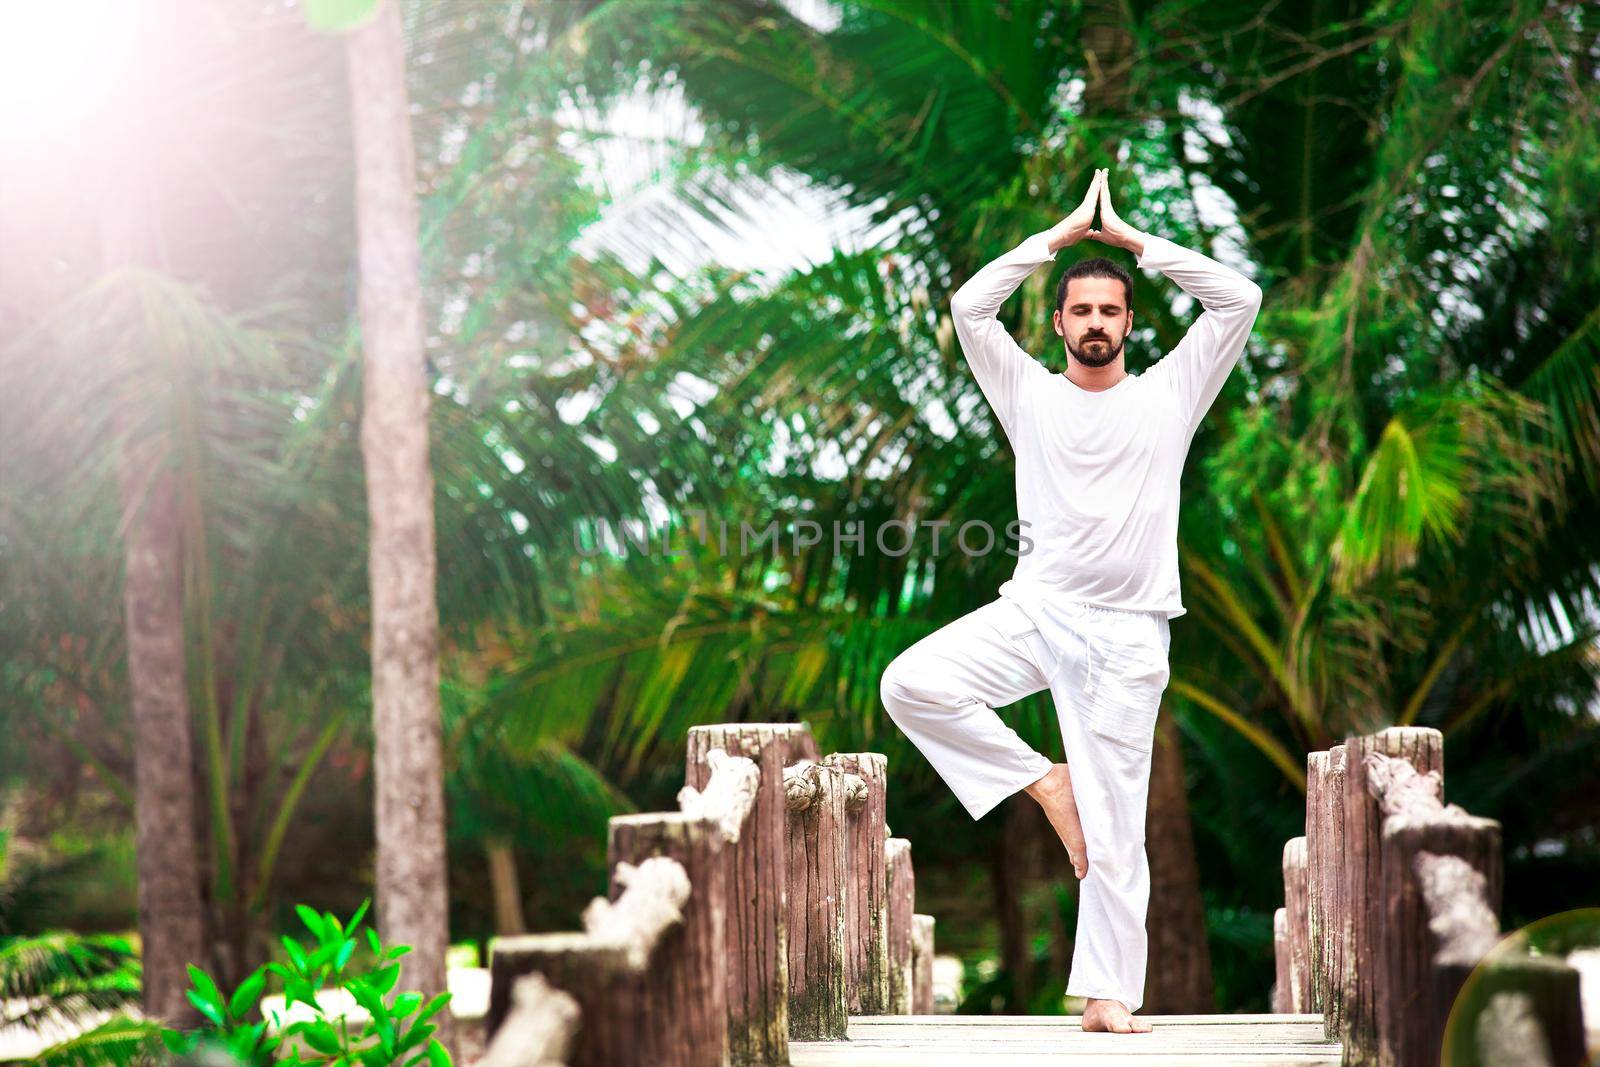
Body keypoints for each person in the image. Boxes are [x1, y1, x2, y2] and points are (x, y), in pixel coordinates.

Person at [879, 168, 1263, 1033]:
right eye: (1080, 310)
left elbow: (1239, 299)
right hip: (1036, 612)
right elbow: (970, 308)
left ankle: (1106, 997)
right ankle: (1041, 781)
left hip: (1129, 638)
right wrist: (1054, 241)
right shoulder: (1028, 392)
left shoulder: (1172, 392)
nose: (1095, 323)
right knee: (910, 682)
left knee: (1120, 827)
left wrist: (1131, 243)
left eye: (1110, 310)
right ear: (1058, 324)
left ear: (1131, 322)